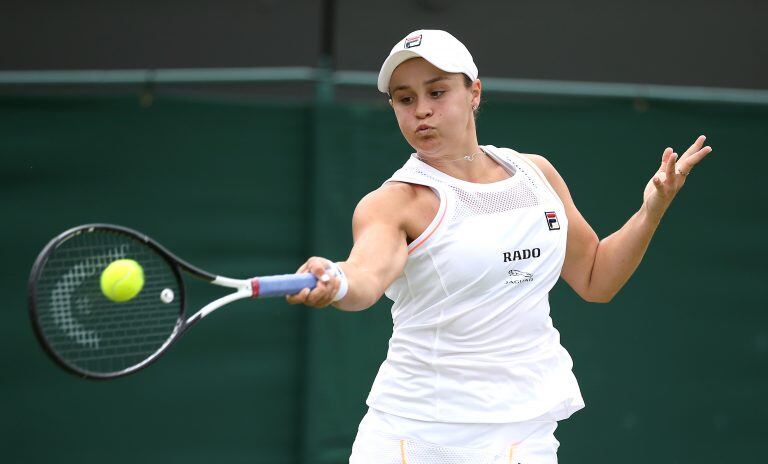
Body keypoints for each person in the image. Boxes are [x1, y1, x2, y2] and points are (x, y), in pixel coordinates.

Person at [287, 29, 713, 464]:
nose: (422, 111)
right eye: (405, 99)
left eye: (437, 92)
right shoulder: (395, 203)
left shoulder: (536, 174)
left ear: (474, 93)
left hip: (524, 434)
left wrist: (651, 210)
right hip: (415, 439)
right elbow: (366, 275)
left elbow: (595, 278)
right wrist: (338, 280)